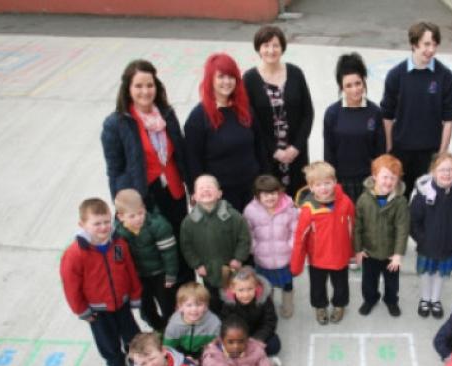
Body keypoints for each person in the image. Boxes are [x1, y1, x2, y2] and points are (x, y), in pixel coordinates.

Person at [101, 59, 192, 284]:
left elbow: (180, 153)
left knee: (179, 246)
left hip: (173, 192)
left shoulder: (167, 114)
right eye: (138, 86)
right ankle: (167, 301)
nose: (145, 91)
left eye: (149, 85)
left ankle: (190, 298)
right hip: (144, 195)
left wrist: (192, 185)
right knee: (156, 253)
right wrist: (122, 204)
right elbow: (114, 169)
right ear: (128, 89)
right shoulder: (116, 123)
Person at [60, 198, 141, 366]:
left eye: (106, 221)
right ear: (82, 224)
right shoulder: (75, 254)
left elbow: (130, 270)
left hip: (122, 303)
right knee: (108, 343)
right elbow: (71, 286)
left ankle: (139, 363)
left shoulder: (118, 244)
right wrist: (81, 310)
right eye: (97, 224)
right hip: (98, 311)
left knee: (134, 337)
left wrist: (135, 295)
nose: (104, 227)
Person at [380, 21, 452, 196]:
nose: (430, 49)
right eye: (426, 44)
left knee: (426, 202)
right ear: (414, 44)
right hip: (401, 151)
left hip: (430, 154)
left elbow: (449, 118)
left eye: (434, 44)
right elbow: (387, 115)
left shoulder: (445, 76)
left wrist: (442, 153)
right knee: (399, 200)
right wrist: (389, 149)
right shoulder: (396, 75)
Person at [185, 53, 263, 213]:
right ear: (210, 79)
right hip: (220, 197)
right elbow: (193, 161)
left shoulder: (245, 110)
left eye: (231, 77)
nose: (227, 82)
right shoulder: (198, 117)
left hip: (250, 190)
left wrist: (264, 181)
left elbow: (259, 147)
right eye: (221, 77)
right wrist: (197, 192)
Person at [244, 25, 314, 196]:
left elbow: (308, 112)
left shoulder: (296, 73)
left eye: (275, 45)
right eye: (265, 45)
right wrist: (274, 150)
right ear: (258, 49)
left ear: (282, 47)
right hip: (268, 156)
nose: (271, 50)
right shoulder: (249, 79)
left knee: (299, 198)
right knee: (271, 199)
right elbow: (251, 121)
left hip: (296, 154)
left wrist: (296, 147)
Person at [291, 161, 355, 325]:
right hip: (318, 258)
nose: (324, 188)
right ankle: (320, 307)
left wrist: (354, 252)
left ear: (335, 182)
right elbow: (300, 238)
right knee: (317, 286)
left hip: (340, 256)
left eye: (327, 183)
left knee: (341, 285)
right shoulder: (308, 209)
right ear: (311, 187)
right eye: (318, 185)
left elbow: (353, 226)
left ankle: (339, 305)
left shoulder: (346, 202)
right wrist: (296, 264)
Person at [410, 152, 452, 318]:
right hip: (426, 245)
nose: (447, 173)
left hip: (448, 246)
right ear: (433, 172)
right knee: (426, 273)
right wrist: (421, 239)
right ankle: (425, 298)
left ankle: (435, 300)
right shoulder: (423, 194)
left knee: (440, 274)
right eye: (442, 169)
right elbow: (414, 221)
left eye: (451, 169)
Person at [180, 175, 251, 313]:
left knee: (234, 296)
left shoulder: (233, 216)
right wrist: (197, 264)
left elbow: (244, 238)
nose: (205, 190)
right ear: (194, 196)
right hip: (208, 270)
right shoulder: (188, 223)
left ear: (219, 193)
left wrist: (238, 258)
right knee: (213, 299)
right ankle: (218, 320)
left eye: (209, 187)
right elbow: (186, 246)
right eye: (201, 188)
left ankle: (237, 319)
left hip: (230, 268)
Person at [323, 52, 385, 203]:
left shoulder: (375, 112)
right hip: (341, 182)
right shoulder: (332, 113)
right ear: (341, 87)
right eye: (348, 85)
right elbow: (329, 153)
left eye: (358, 83)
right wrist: (331, 182)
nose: (354, 89)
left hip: (368, 182)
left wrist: (377, 180)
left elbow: (380, 152)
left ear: (364, 81)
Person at [114, 188, 178, 332]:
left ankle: (173, 331)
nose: (138, 218)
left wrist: (171, 275)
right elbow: (118, 260)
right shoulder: (117, 235)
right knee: (146, 308)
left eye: (140, 213)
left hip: (160, 273)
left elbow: (169, 253)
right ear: (121, 217)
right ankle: (159, 328)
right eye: (132, 216)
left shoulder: (159, 225)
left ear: (144, 208)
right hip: (138, 277)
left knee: (168, 305)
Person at [354, 154, 410, 317]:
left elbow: (402, 229)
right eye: (385, 177)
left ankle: (391, 301)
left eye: (393, 178)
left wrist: (398, 254)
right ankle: (370, 300)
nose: (388, 182)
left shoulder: (400, 201)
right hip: (369, 251)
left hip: (390, 253)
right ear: (374, 176)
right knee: (368, 282)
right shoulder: (364, 199)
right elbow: (357, 226)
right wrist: (358, 249)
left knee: (392, 282)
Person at [242, 175, 299, 318]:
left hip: (284, 257)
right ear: (257, 195)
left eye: (273, 193)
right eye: (265, 195)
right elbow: (247, 234)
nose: (270, 198)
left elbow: (295, 230)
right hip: (263, 259)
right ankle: (269, 309)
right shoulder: (250, 211)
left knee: (287, 284)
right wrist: (254, 248)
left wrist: (290, 246)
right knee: (266, 287)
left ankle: (287, 307)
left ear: (279, 193)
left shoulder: (289, 209)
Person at [221, 267, 283, 366]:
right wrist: (240, 340)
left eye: (250, 289)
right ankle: (260, 362)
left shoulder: (264, 300)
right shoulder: (229, 304)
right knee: (228, 349)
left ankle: (254, 360)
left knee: (274, 344)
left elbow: (270, 322)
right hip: (239, 336)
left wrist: (258, 339)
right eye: (241, 290)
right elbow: (226, 324)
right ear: (233, 289)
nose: (246, 294)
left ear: (256, 287)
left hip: (258, 334)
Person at [163, 282, 222, 364]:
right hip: (181, 351)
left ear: (206, 306)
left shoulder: (214, 323)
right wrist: (180, 360)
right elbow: (169, 348)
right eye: (189, 305)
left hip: (203, 352)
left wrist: (200, 360)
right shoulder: (174, 324)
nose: (194, 309)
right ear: (180, 307)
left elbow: (216, 348)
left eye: (199, 305)